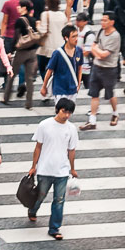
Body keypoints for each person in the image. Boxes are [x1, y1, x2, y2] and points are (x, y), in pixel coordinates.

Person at [27, 98, 79, 240]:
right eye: (64, 111)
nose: (66, 115)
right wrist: (34, 166)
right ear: (58, 109)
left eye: (69, 113)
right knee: (40, 195)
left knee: (59, 200)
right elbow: (38, 147)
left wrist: (72, 169)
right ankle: (32, 210)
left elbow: (71, 150)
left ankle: (54, 228)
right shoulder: (44, 125)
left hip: (62, 171)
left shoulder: (71, 129)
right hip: (45, 169)